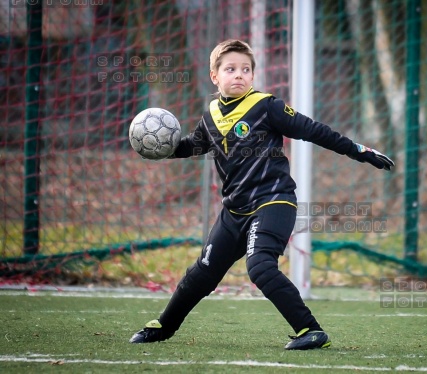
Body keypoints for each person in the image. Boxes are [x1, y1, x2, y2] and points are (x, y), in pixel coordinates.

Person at [129, 39, 394, 350]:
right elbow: (192, 145)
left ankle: (311, 330)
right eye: (230, 69)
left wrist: (359, 151)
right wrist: (160, 148)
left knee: (260, 266)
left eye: (246, 69)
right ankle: (164, 326)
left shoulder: (267, 106)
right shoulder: (211, 115)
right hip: (234, 211)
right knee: (204, 270)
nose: (239, 74)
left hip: (273, 201)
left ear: (253, 75)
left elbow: (314, 130)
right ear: (215, 76)